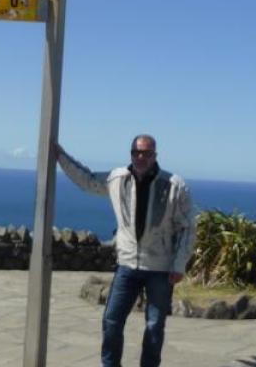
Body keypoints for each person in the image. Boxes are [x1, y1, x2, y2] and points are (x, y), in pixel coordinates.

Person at [55, 135, 195, 367]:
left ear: (155, 155)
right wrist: (60, 156)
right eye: (136, 152)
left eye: (146, 153)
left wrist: (179, 264)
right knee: (111, 321)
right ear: (130, 153)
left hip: (160, 269)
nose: (141, 157)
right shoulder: (118, 179)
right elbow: (87, 180)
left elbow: (188, 227)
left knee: (154, 326)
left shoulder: (174, 185)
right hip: (127, 265)